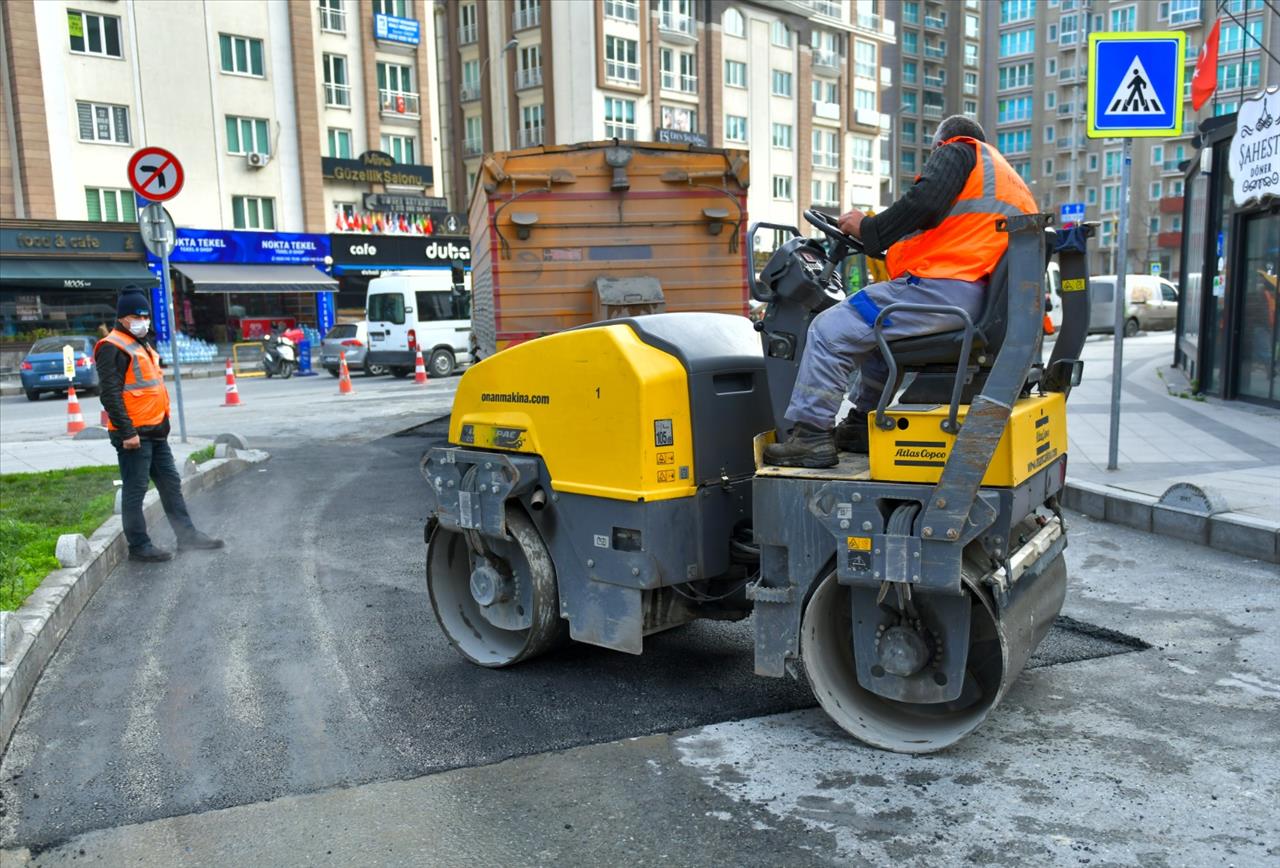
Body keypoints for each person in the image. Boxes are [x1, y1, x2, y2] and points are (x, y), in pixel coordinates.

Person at [764, 115, 1038, 468]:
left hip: (942, 291)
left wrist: (869, 226)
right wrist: (882, 242)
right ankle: (862, 426)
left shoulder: (959, 151)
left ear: (941, 145)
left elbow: (924, 202)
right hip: (972, 296)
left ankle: (811, 437)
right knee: (878, 343)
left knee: (828, 331)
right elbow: (949, 231)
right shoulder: (1006, 181)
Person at [96, 287, 224, 562]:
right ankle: (139, 546)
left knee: (170, 483)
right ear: (122, 318)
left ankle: (187, 536)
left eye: (146, 315)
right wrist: (127, 432)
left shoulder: (142, 343)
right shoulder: (112, 347)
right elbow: (109, 393)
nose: (143, 320)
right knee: (135, 490)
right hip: (134, 435)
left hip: (155, 431)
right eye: (137, 315)